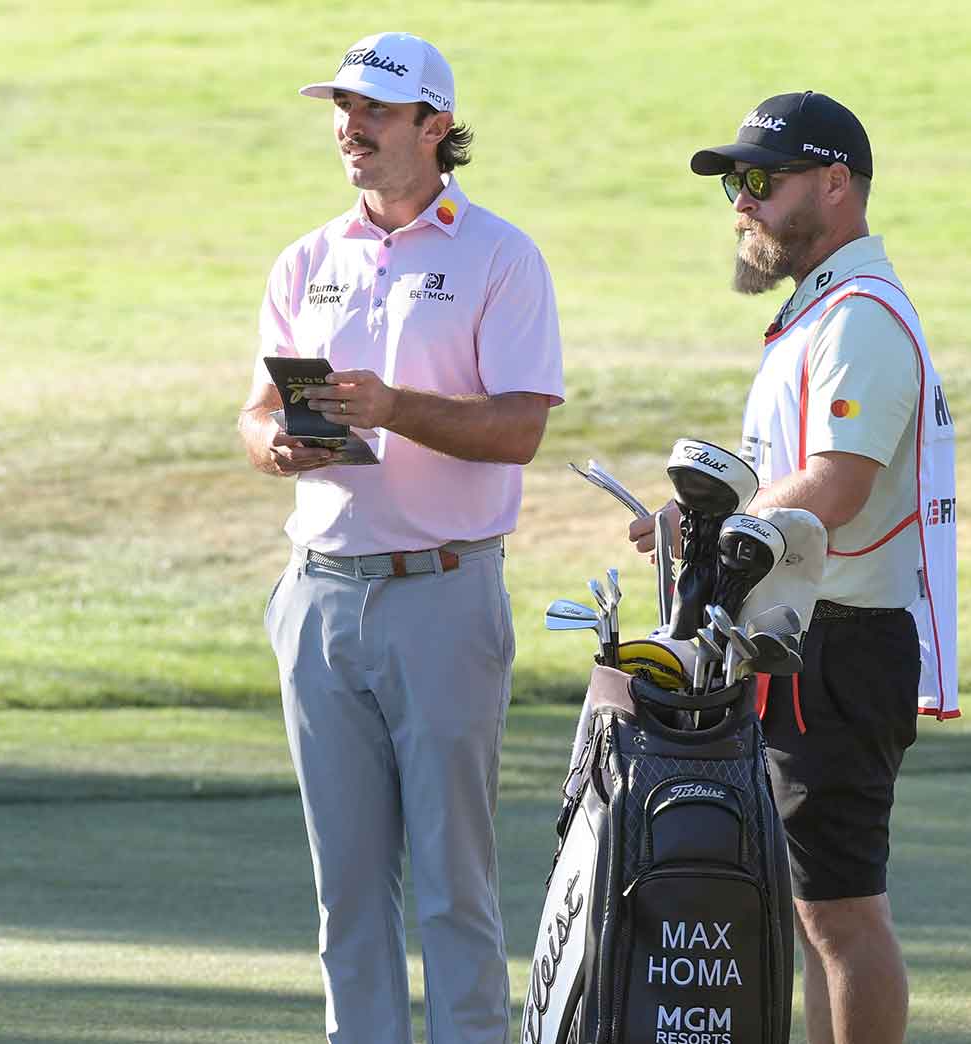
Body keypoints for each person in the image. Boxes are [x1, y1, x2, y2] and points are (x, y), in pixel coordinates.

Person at [237, 31, 565, 1044]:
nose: (351, 126)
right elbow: (255, 411)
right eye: (342, 108)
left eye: (374, 110)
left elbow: (518, 427)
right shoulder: (307, 259)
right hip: (319, 594)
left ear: (434, 125)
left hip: (443, 595)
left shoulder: (499, 256)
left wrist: (392, 408)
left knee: (454, 884)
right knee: (344, 887)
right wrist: (275, 448)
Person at [629, 91, 957, 1044]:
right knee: (817, 916)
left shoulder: (860, 316)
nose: (742, 200)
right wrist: (707, 521)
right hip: (806, 641)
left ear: (836, 184)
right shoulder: (822, 310)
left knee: (841, 915)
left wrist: (717, 528)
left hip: (839, 647)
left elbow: (836, 484)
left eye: (762, 180)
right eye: (736, 182)